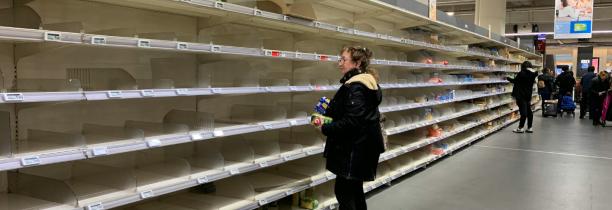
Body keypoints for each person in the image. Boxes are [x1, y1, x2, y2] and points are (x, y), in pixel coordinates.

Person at [312, 46, 384, 210]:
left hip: (354, 150)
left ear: (357, 62)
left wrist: (324, 128)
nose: (339, 63)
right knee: (355, 192)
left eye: (343, 59)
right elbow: (354, 112)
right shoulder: (365, 83)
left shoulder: (356, 87)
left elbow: (352, 121)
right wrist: (332, 107)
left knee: (344, 193)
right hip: (361, 148)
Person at [507, 61, 538, 133]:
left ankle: (520, 128)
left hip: (520, 95)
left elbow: (515, 81)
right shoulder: (533, 74)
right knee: (529, 111)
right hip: (528, 95)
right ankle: (530, 127)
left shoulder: (521, 73)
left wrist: (507, 78)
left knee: (523, 112)